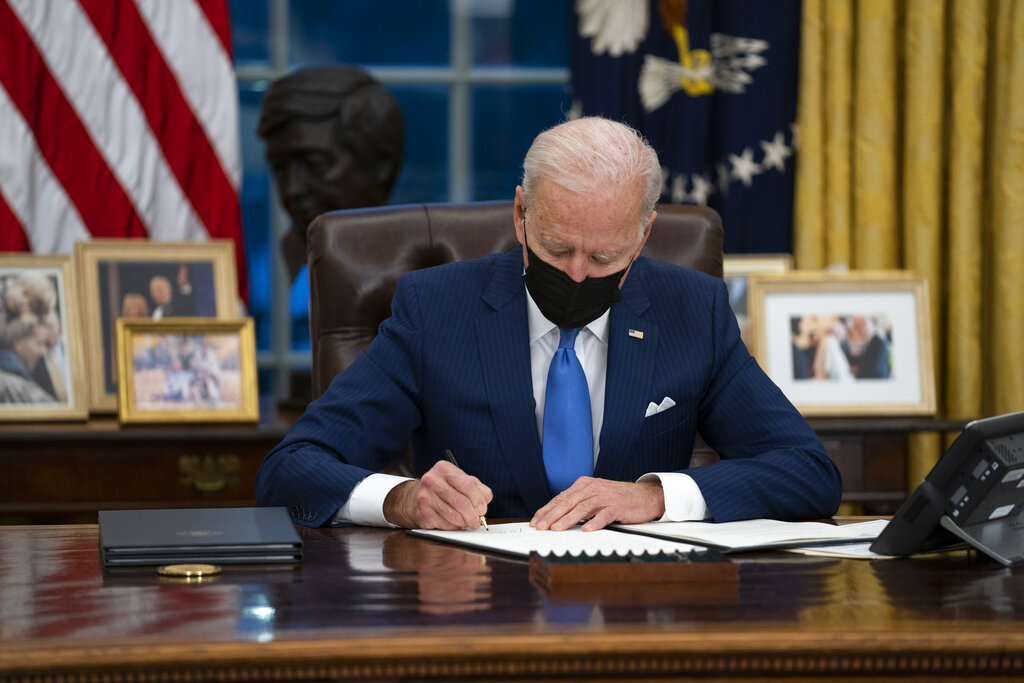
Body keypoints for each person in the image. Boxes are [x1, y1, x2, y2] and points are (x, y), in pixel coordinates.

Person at [255, 116, 842, 531]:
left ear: (642, 236)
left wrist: (657, 495)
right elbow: (290, 469)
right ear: (520, 215)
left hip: (638, 619)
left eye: (605, 257)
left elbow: (808, 473)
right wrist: (401, 499)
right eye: (558, 249)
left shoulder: (694, 312)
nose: (580, 275)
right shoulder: (436, 310)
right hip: (477, 611)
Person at [257, 65, 405, 281]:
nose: (292, 189)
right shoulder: (286, 252)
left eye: (315, 164)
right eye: (280, 168)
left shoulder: (420, 264)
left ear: (380, 164)